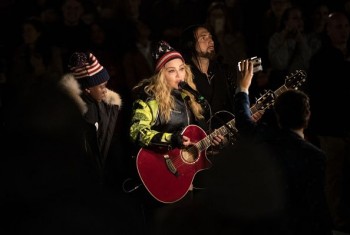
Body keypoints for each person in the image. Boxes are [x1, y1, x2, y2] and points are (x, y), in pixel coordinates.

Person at [227, 59, 333, 234]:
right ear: (308, 115)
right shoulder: (316, 156)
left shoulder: (264, 142)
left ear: (277, 115)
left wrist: (243, 88)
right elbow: (318, 205)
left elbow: (244, 121)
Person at [129, 40, 224, 234]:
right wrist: (171, 139)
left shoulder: (190, 98)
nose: (179, 74)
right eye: (171, 71)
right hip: (165, 176)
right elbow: (136, 132)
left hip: (189, 181)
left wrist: (213, 144)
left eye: (181, 69)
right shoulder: (150, 99)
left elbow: (199, 141)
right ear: (161, 74)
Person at [307, 11, 350, 233]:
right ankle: (335, 221)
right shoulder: (322, 59)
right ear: (329, 30)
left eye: (345, 26)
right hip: (332, 128)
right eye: (338, 27)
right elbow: (320, 96)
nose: (343, 31)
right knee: (333, 178)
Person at [59, 51, 122, 183]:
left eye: (106, 84)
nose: (106, 90)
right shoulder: (75, 116)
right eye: (101, 86)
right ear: (87, 89)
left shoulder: (107, 106)